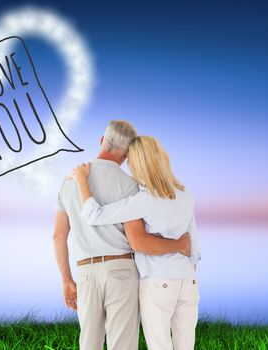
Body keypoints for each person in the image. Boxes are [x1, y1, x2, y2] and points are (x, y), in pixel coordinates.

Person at [53, 121, 191, 350]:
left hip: (86, 272)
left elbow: (58, 237)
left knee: (88, 343)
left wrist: (67, 280)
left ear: (102, 140)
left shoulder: (69, 183)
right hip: (121, 272)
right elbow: (137, 239)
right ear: (127, 154)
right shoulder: (130, 186)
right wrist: (178, 244)